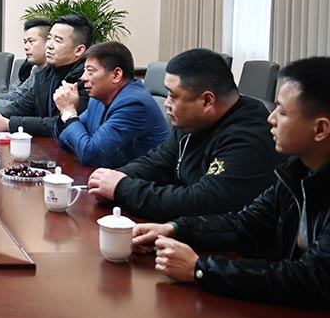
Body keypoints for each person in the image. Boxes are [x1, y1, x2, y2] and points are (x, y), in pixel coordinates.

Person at [133, 57, 330, 308]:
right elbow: (246, 223)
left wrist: (200, 269)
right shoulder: (298, 171)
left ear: (320, 129)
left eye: (282, 111)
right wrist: (174, 229)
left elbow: (310, 278)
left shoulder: (252, 138)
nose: (271, 119)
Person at [87, 48, 279, 221]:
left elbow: (202, 202)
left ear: (207, 101)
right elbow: (157, 163)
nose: (166, 103)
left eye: (172, 95)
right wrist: (115, 177)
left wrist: (122, 188)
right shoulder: (192, 122)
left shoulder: (248, 137)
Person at [53, 41, 170, 168]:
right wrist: (66, 115)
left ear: (116, 75)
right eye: (84, 71)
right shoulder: (97, 99)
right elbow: (66, 139)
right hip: (109, 172)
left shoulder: (133, 104)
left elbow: (90, 155)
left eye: (90, 71)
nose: (83, 78)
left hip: (140, 178)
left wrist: (69, 112)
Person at [0, 14, 93, 137]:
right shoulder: (46, 73)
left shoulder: (86, 80)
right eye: (49, 38)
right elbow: (21, 106)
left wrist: (10, 124)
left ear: (79, 50)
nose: (49, 45)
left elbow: (60, 124)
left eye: (58, 40)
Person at [0, 17, 51, 113]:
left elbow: (29, 109)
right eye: (25, 42)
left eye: (31, 41)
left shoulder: (53, 74)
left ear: (48, 43)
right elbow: (17, 95)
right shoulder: (36, 69)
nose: (26, 47)